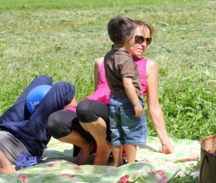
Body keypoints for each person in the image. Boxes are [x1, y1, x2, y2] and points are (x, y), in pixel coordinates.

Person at [48, 19, 174, 166]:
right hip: (93, 116)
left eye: (148, 40)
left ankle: (104, 146)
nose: (144, 44)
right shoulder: (102, 62)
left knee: (85, 107)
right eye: (139, 39)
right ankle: (87, 146)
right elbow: (98, 93)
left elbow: (153, 106)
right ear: (128, 36)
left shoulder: (148, 66)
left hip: (119, 115)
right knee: (55, 122)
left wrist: (165, 143)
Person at [0, 75, 76, 174]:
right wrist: (6, 166)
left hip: (3, 127)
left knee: (43, 79)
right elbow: (7, 170)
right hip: (23, 143)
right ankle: (85, 139)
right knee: (63, 89)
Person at [104, 15, 145, 166]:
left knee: (116, 133)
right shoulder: (126, 59)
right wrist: (136, 103)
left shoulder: (109, 55)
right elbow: (128, 83)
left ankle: (117, 163)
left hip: (113, 99)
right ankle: (131, 164)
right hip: (128, 101)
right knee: (131, 133)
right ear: (129, 38)